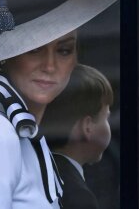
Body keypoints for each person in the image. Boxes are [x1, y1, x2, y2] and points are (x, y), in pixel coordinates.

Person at [0, 0, 119, 208]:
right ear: (8, 56)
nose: (49, 65)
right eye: (34, 50)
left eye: (64, 50)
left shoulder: (28, 135)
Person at [41, 64, 114, 209]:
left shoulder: (38, 171)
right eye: (106, 117)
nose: (108, 125)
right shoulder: (79, 197)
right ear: (87, 127)